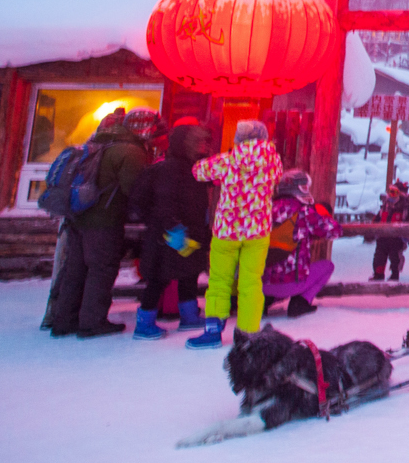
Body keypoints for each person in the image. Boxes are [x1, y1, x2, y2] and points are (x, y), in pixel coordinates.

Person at [49, 109, 159, 338]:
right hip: (104, 221)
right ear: (144, 128)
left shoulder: (100, 140)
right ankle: (91, 323)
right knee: (101, 269)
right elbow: (134, 190)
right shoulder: (131, 151)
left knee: (74, 270)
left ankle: (63, 320)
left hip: (78, 217)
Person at [188, 120, 284, 349]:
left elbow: (197, 171)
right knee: (251, 283)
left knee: (219, 281)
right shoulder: (274, 161)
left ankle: (212, 331)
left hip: (226, 231)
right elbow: (274, 179)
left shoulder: (227, 161)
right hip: (258, 231)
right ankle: (249, 335)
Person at [128, 122, 212, 340]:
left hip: (186, 231)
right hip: (168, 233)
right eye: (198, 142)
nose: (203, 146)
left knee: (189, 274)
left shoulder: (194, 168)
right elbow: (162, 201)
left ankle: (189, 315)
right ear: (186, 145)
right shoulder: (169, 169)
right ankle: (145, 323)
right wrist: (169, 225)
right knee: (158, 277)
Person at [262, 170, 342, 317]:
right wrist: (321, 213)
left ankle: (264, 301)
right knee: (327, 266)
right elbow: (334, 230)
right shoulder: (304, 212)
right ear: (299, 188)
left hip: (260, 283)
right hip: (290, 284)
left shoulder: (266, 209)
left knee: (275, 271)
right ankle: (300, 303)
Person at [371, 180, 409, 280]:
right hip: (382, 238)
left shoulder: (405, 210)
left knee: (395, 258)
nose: (391, 195)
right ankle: (378, 275)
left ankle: (395, 275)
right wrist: (372, 230)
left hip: (396, 239)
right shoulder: (385, 207)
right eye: (390, 191)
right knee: (379, 257)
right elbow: (377, 219)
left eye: (394, 192)